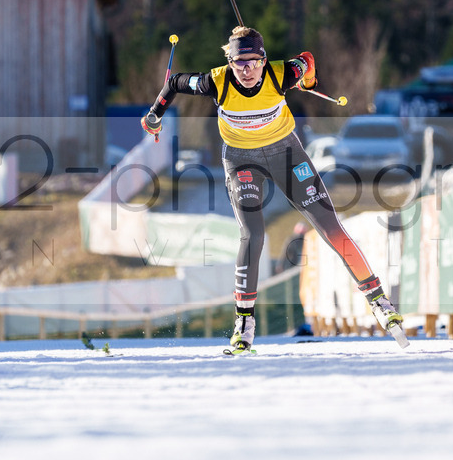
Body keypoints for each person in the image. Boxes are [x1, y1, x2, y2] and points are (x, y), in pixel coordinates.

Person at [141, 26, 406, 353]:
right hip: (241, 160)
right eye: (239, 63)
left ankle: (380, 302)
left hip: (286, 154)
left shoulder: (280, 74)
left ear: (264, 60)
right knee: (254, 234)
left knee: (330, 227)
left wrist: (308, 79)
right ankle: (244, 323)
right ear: (229, 61)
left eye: (253, 62)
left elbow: (306, 61)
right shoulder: (217, 80)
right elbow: (175, 81)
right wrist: (155, 115)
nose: (247, 70)